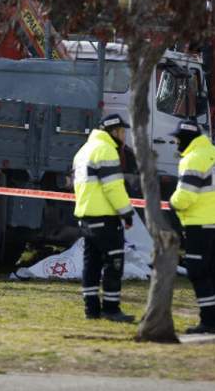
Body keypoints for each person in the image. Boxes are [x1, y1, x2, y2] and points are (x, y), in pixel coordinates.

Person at [170, 119, 215, 334]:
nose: (176, 143)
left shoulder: (193, 159)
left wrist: (173, 204)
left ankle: (208, 320)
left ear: (186, 139)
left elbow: (185, 195)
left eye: (178, 139)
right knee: (213, 270)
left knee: (197, 271)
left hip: (200, 223)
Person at [72, 114, 135, 322]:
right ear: (113, 132)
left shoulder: (83, 151)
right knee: (114, 262)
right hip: (105, 217)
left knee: (91, 264)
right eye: (122, 131)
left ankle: (91, 309)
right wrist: (126, 212)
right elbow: (113, 187)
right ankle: (111, 308)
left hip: (86, 217)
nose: (124, 136)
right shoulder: (106, 150)